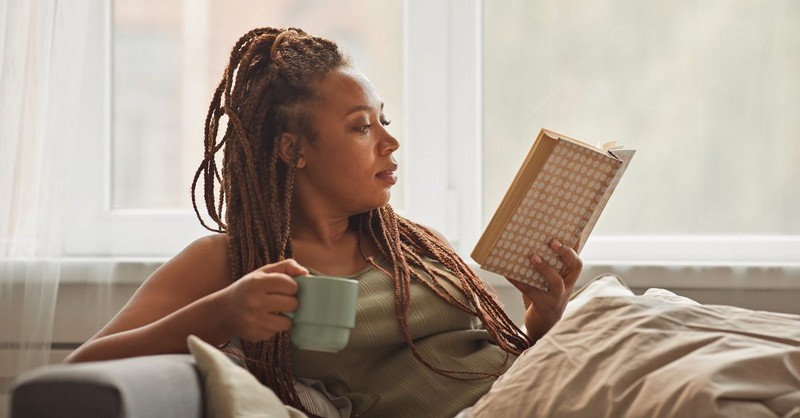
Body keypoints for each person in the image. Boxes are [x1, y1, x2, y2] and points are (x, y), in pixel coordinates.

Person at [65, 27, 583, 417]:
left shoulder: (419, 246)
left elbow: (494, 357)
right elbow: (80, 372)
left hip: (536, 392)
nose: (389, 141)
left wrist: (543, 317)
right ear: (295, 149)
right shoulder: (232, 261)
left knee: (638, 317)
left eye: (385, 119)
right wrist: (220, 316)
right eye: (361, 126)